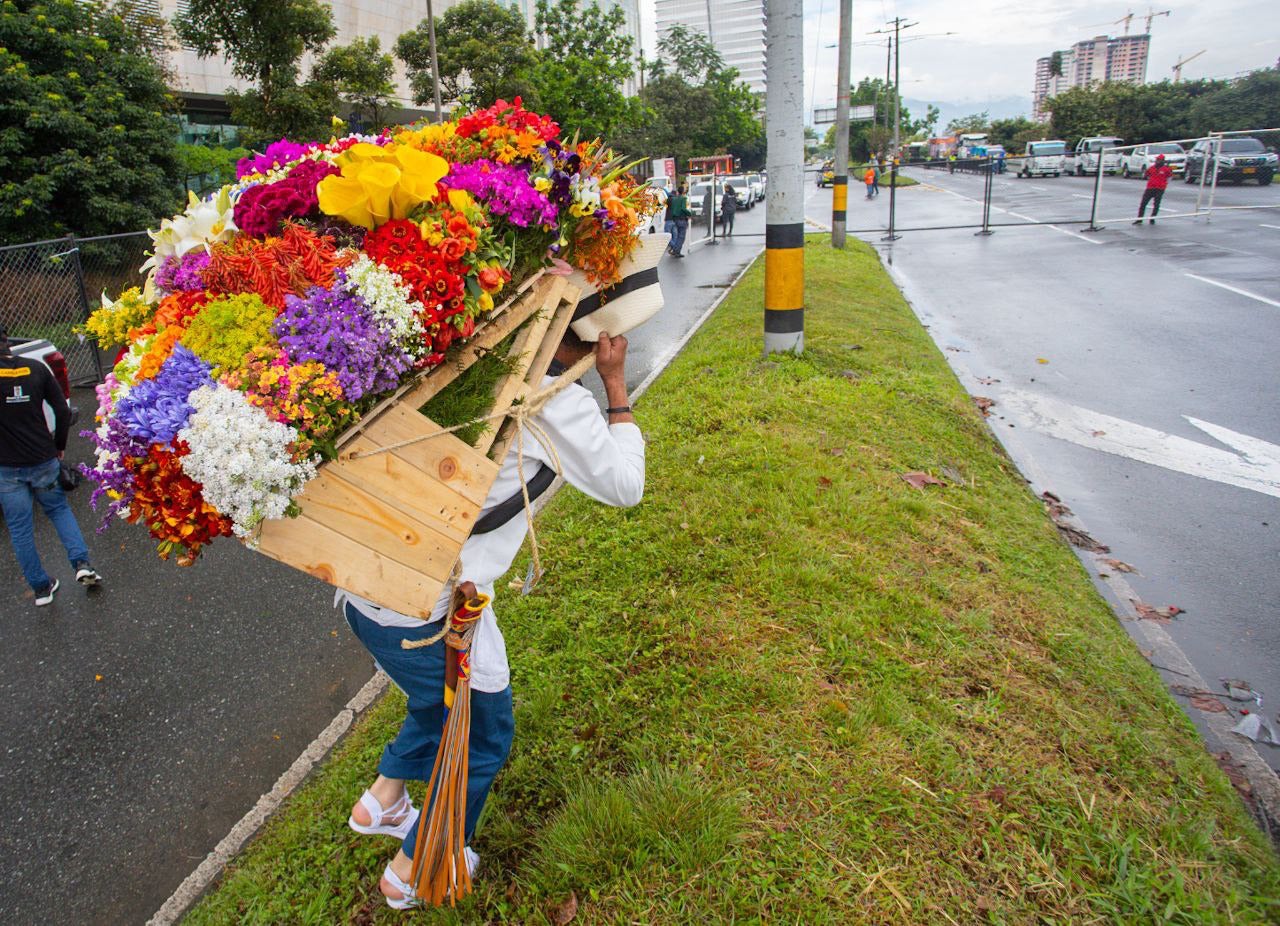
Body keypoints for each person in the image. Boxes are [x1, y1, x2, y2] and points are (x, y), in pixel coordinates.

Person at [339, 329, 645, 909]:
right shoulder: (554, 401)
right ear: (597, 336)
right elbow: (626, 486)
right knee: (484, 736)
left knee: (435, 700)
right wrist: (613, 384)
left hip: (364, 598)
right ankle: (415, 868)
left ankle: (381, 800)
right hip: (433, 621)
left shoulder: (453, 355)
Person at [0, 322, 102, 606]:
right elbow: (60, 409)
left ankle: (42, 588)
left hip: (6, 467)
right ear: (8, 340)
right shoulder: (35, 368)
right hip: (43, 457)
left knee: (20, 528)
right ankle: (83, 564)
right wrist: (58, 446)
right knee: (58, 509)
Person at [1134, 154, 1173, 225]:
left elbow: (1169, 177)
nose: (1157, 161)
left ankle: (1152, 218)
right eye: (1157, 160)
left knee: (1156, 204)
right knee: (1143, 204)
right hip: (1150, 188)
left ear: (1162, 161)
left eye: (1159, 160)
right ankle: (1139, 219)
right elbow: (1146, 174)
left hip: (1160, 189)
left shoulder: (1166, 169)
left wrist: (1165, 185)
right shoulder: (1151, 168)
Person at [665, 183, 691, 257]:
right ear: (683, 192)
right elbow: (683, 208)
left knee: (678, 236)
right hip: (682, 219)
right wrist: (689, 214)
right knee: (681, 237)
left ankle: (675, 250)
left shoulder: (675, 199)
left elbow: (673, 209)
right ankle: (676, 251)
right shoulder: (683, 198)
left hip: (675, 219)